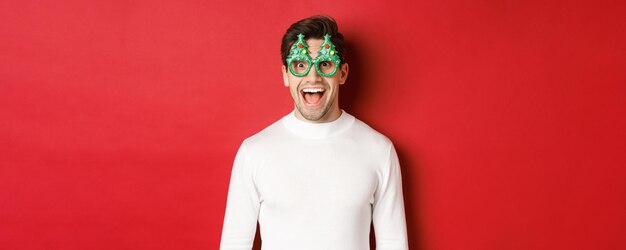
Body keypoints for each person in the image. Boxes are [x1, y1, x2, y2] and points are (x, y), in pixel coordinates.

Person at [220, 15, 408, 250]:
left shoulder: (379, 150)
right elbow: (234, 244)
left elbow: (393, 243)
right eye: (300, 65)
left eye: (325, 64)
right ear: (286, 75)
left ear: (342, 73)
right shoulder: (254, 152)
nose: (312, 77)